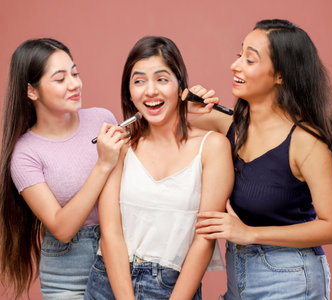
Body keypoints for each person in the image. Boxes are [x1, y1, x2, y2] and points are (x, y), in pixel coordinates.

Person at [186, 19, 332, 299]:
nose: (235, 66)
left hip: (290, 278)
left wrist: (250, 233)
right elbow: (154, 123)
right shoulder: (228, 124)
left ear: (281, 76)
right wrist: (183, 106)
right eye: (240, 55)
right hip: (240, 277)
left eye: (250, 60)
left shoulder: (305, 140)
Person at [84, 36, 234, 300]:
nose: (150, 91)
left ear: (180, 87)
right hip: (108, 285)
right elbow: (110, 234)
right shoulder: (119, 146)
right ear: (129, 92)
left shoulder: (212, 147)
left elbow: (204, 239)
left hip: (174, 288)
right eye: (139, 81)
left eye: (162, 79)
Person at [0, 38, 128, 299]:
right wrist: (102, 164)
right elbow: (62, 228)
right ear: (32, 91)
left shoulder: (102, 119)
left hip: (120, 254)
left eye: (75, 73)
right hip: (68, 274)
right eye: (60, 79)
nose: (74, 84)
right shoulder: (25, 154)